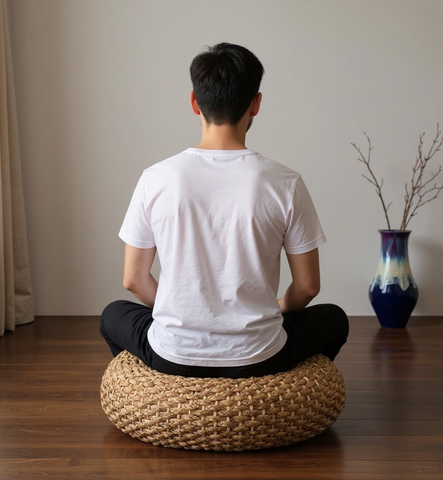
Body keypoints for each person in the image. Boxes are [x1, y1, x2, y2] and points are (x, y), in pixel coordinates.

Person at [100, 42, 348, 378]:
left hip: (174, 354)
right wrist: (276, 310)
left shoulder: (156, 178)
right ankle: (274, 386)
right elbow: (307, 287)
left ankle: (164, 385)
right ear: (256, 104)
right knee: (333, 318)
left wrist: (179, 312)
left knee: (113, 314)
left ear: (194, 102)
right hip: (260, 356)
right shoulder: (285, 182)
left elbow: (133, 280)